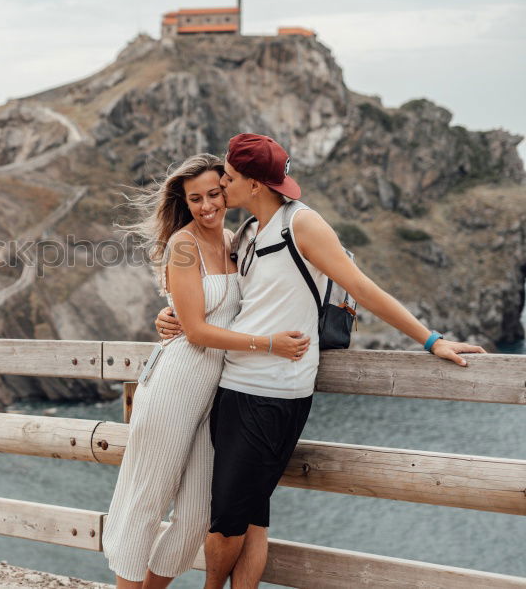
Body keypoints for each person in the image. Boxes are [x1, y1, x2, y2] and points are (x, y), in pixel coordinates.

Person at [154, 133, 486, 589]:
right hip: (235, 390)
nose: (221, 188)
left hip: (274, 396)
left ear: (253, 184)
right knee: (251, 519)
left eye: (227, 179)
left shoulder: (302, 224)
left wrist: (432, 340)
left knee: (226, 520)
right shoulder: (248, 232)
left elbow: (363, 287)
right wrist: (171, 312)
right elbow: (220, 295)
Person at [103, 153, 311, 589]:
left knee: (198, 514)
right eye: (195, 198)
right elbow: (195, 330)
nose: (206, 206)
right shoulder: (183, 243)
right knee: (148, 500)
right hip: (174, 385)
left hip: (216, 393)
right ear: (184, 202)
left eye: (214, 194)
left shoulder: (235, 241)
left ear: (227, 190)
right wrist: (269, 345)